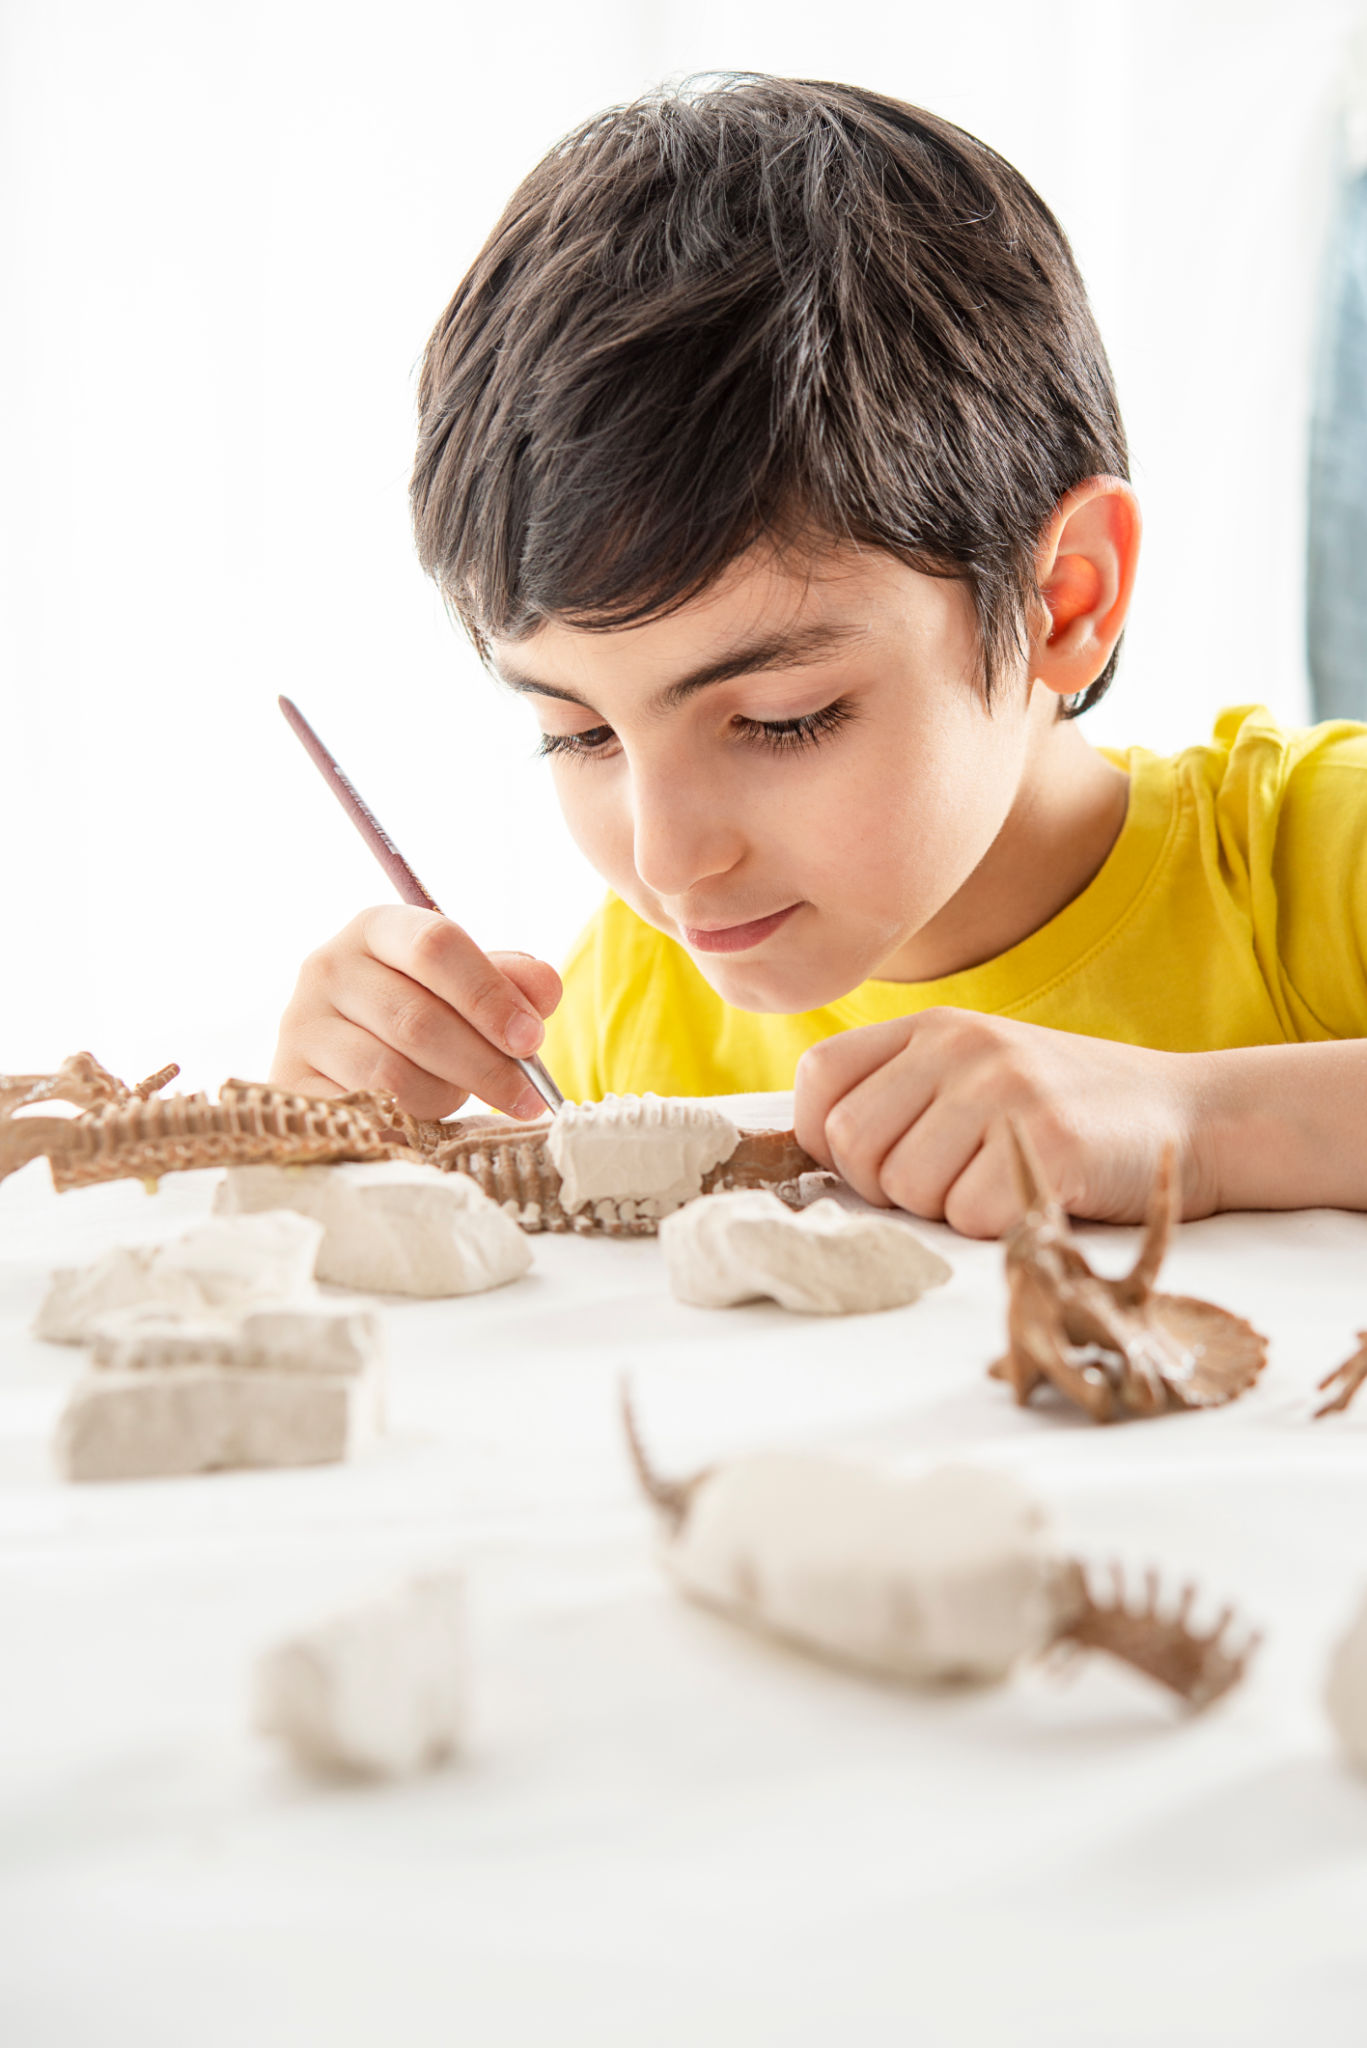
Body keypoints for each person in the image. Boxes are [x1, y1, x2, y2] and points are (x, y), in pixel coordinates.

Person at [271, 74, 1367, 1237]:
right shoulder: (630, 1005)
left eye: (781, 717)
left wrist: (1198, 1123)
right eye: (578, 733)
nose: (668, 858)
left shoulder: (1306, 869)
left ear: (1061, 597)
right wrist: (339, 1143)